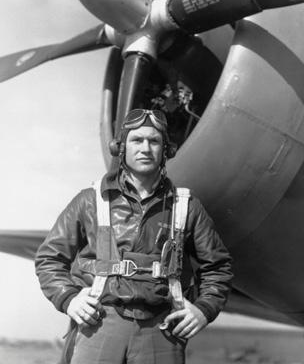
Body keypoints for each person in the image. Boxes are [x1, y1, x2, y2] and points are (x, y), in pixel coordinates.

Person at [35, 109, 233, 364]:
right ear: (121, 148)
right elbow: (49, 258)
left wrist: (205, 309)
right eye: (137, 140)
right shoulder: (90, 201)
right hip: (99, 323)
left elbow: (218, 267)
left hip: (161, 330)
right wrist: (68, 298)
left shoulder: (187, 207)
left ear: (166, 150)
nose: (146, 148)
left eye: (154, 141)